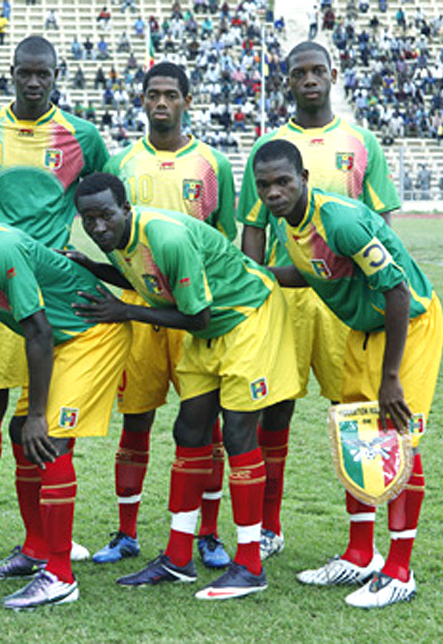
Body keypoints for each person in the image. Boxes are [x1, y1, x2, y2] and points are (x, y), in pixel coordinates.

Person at [71, 173, 299, 600]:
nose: (97, 226)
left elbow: (197, 318)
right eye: (88, 218)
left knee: (236, 433)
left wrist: (125, 313)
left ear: (126, 209)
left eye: (105, 215)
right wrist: (94, 268)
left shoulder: (165, 236)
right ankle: (178, 557)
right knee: (189, 430)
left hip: (248, 316)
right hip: (210, 322)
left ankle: (250, 564)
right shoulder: (118, 241)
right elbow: (148, 282)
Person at [251, 139, 443, 609]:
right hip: (364, 328)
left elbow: (397, 289)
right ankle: (361, 554)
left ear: (304, 180)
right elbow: (314, 272)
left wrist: (391, 375)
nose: (274, 192)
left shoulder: (339, 220)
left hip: (408, 323)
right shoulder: (285, 220)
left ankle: (400, 570)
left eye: (283, 182)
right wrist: (259, 274)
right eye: (265, 185)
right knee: (355, 433)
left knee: (399, 437)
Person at [0, 190, 131, 609]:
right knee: (21, 434)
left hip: (91, 336)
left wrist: (39, 413)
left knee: (47, 438)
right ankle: (36, 549)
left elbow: (38, 330)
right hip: (64, 339)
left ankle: (59, 574)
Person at [237, 41, 401, 561]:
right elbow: (254, 234)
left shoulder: (360, 143)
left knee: (354, 410)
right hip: (288, 299)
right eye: (297, 73)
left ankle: (361, 543)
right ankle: (268, 525)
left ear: (332, 75)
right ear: (286, 81)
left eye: (316, 71)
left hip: (346, 304)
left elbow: (381, 229)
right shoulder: (270, 147)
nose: (308, 80)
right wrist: (253, 300)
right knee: (275, 407)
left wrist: (375, 296)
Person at [0, 36, 109, 567]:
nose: (35, 82)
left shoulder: (81, 135)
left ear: (57, 74)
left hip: (52, 290)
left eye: (44, 74)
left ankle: (44, 533)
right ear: (11, 73)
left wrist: (75, 240)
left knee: (42, 415)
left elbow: (101, 191)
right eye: (26, 73)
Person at [92, 62, 236, 569]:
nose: (161, 103)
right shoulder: (123, 161)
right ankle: (126, 532)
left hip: (196, 313)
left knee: (207, 425)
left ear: (187, 101)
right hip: (139, 312)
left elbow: (222, 239)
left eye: (171, 95)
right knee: (136, 420)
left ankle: (210, 534)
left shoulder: (213, 164)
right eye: (153, 94)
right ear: (141, 99)